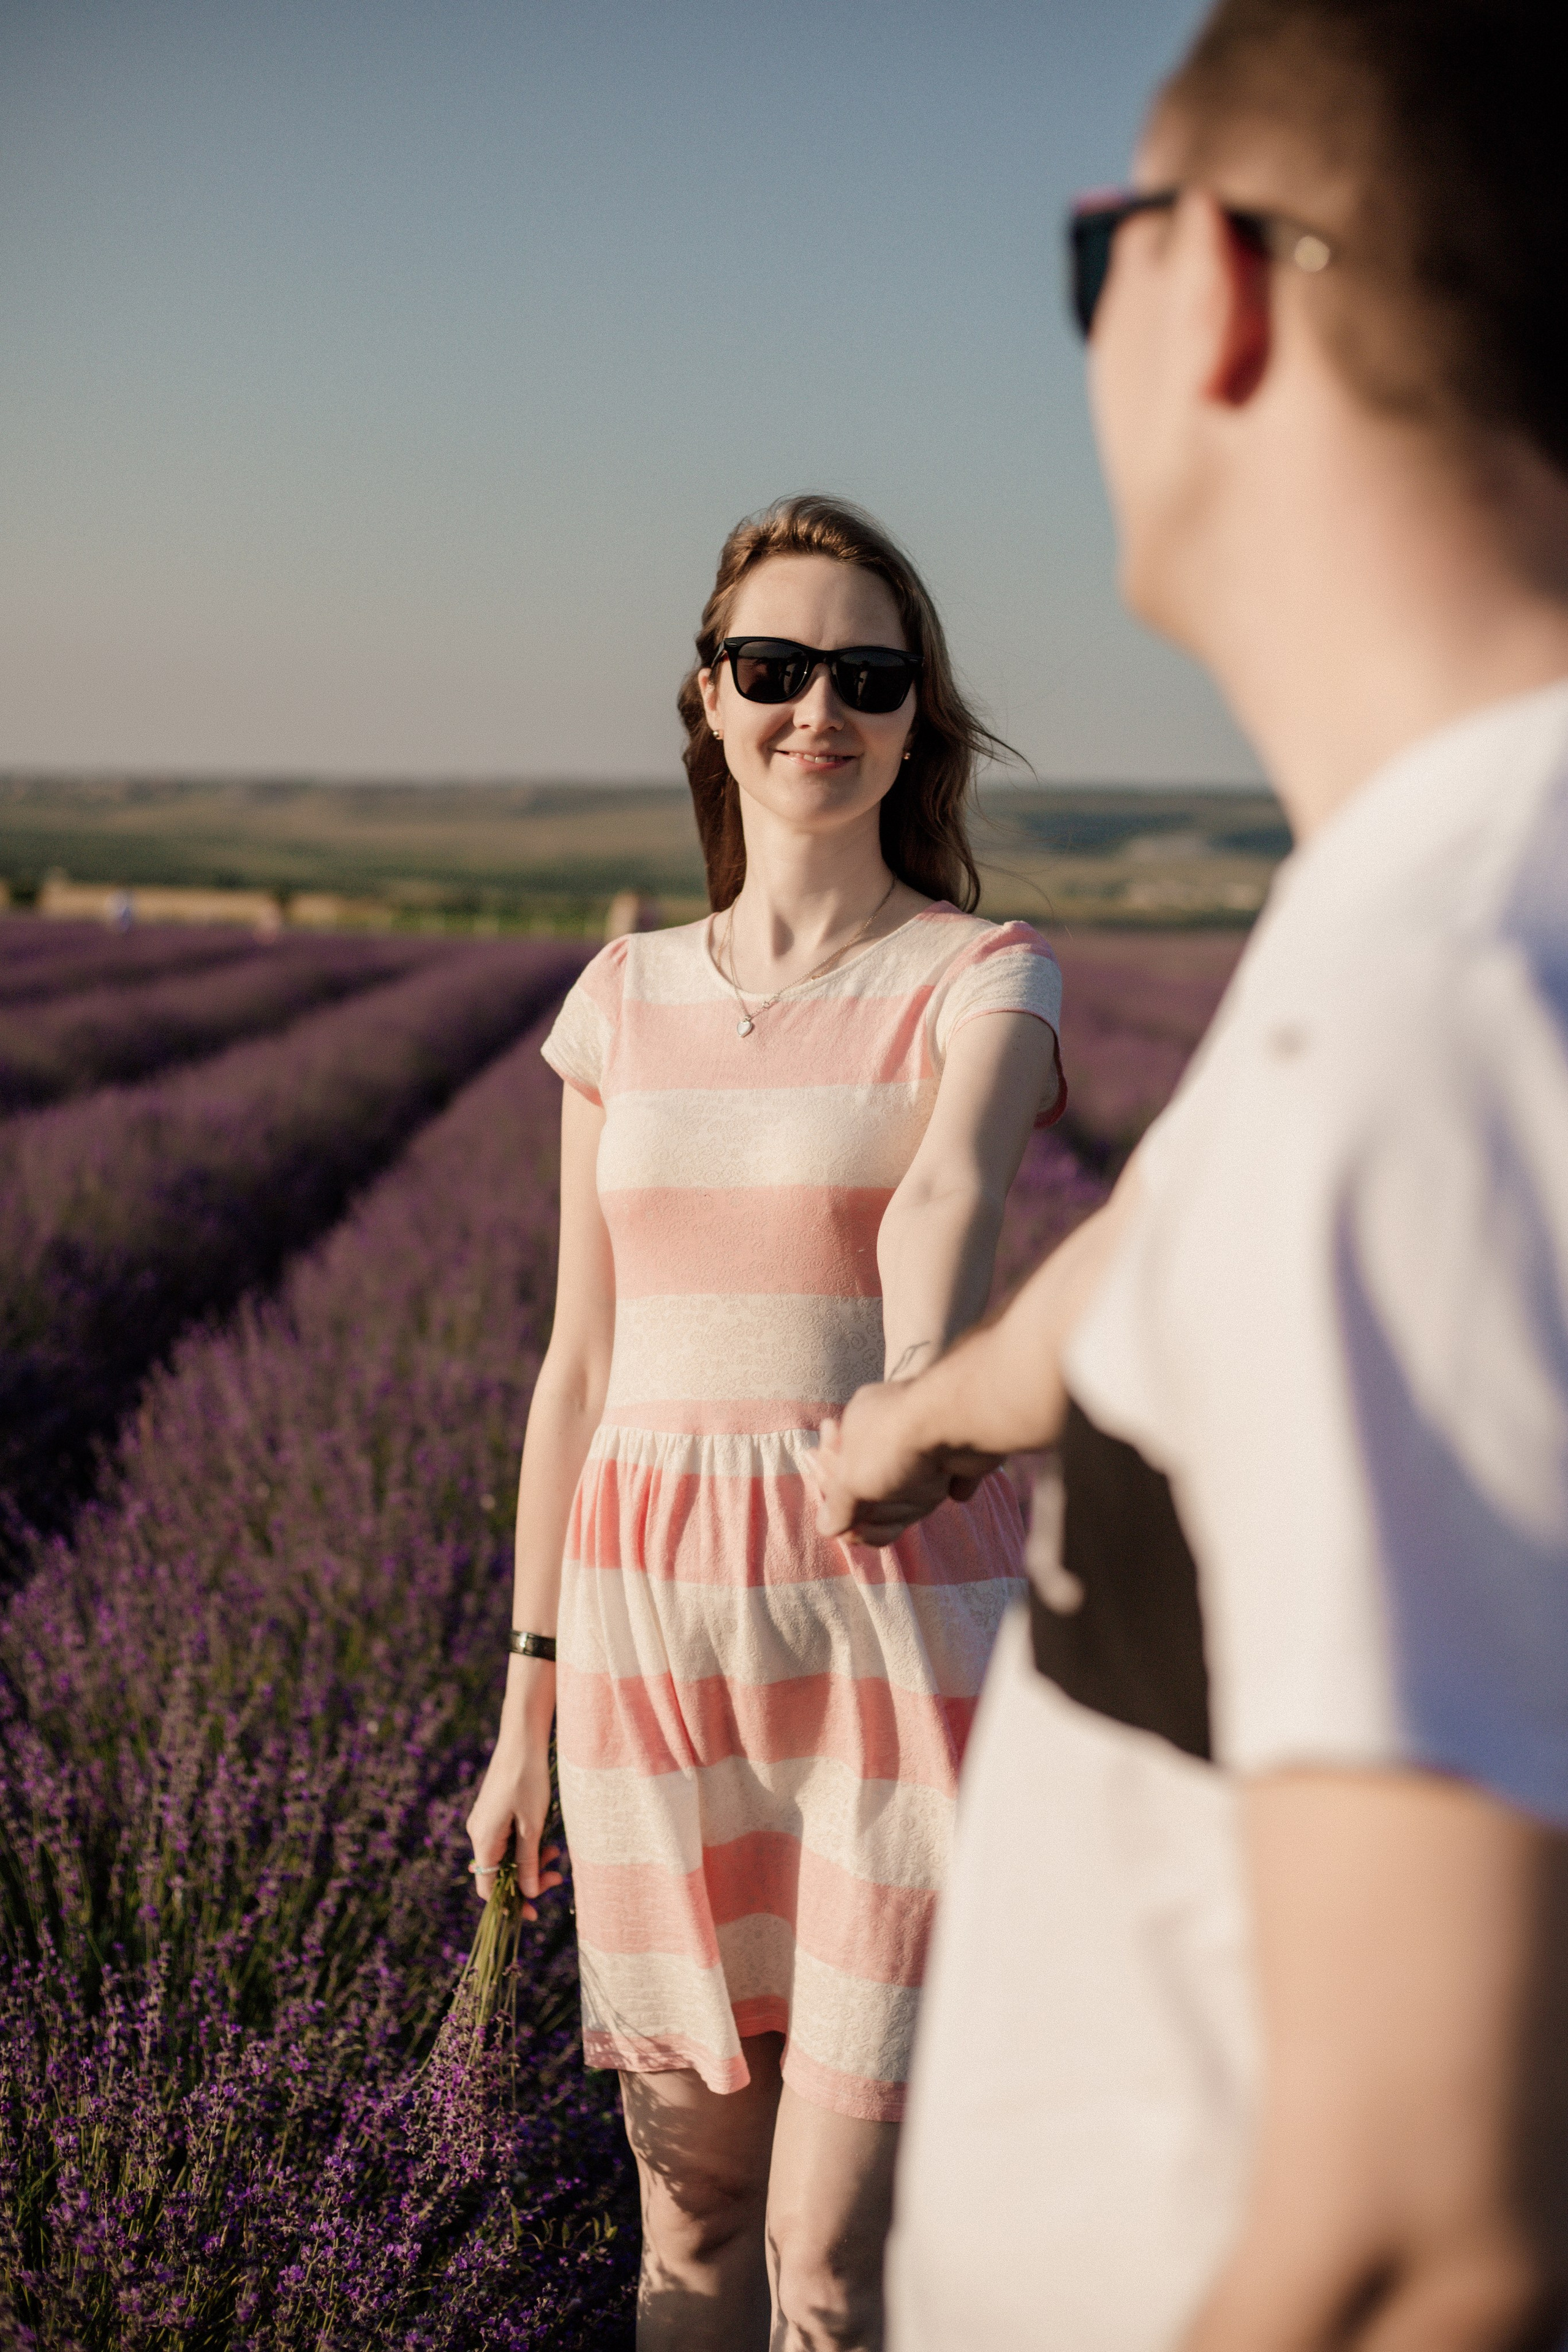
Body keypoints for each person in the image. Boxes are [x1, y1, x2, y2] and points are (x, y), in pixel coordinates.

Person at [811, 4, 1568, 2346]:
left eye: (1093, 259)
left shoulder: (1424, 1010)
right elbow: (1216, 1225)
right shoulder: (1455, 923)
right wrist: (937, 1409)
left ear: (1218, 288)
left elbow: (1422, 2251)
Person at [465, 492, 1064, 2351]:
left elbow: (950, 1190)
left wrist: (906, 1396)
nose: (822, 709)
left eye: (868, 677)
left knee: (835, 2252)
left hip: (886, 1624)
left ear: (915, 719)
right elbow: (578, 1367)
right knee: (701, 2211)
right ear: (709, 702)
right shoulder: (619, 998)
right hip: (650, 1645)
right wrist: (524, 1706)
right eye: (777, 668)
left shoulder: (982, 973)